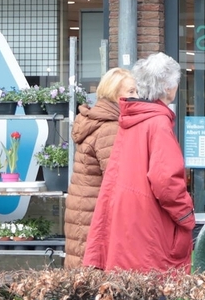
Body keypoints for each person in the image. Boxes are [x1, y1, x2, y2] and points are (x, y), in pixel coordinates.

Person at [83, 53, 195, 273]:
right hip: (151, 227)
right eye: (175, 82)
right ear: (167, 86)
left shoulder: (132, 119)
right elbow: (166, 181)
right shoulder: (158, 123)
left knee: (132, 297)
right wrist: (186, 215)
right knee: (156, 297)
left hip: (128, 225)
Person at [64, 67, 137, 268]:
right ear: (114, 94)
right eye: (131, 91)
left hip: (84, 214)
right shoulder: (110, 129)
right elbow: (117, 182)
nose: (137, 96)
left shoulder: (96, 121)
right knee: (93, 284)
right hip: (93, 217)